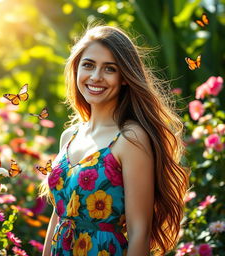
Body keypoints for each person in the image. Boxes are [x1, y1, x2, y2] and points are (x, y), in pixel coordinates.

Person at [40, 24, 189, 256]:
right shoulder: (69, 137)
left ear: (125, 78)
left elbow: (140, 230)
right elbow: (58, 216)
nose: (96, 77)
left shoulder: (130, 138)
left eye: (109, 69)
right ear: (76, 69)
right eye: (88, 65)